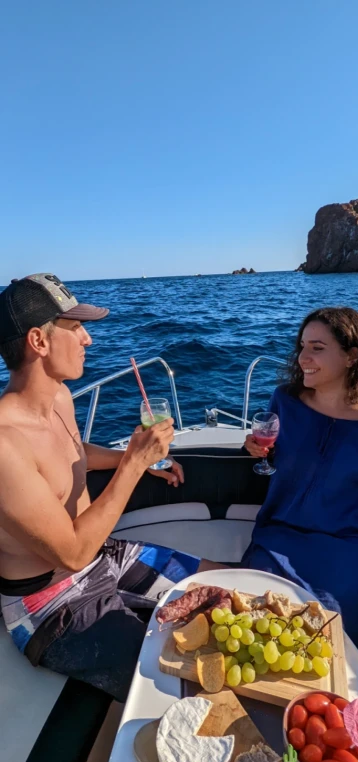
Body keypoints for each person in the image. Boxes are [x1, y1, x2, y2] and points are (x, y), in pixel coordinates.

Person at [0, 273, 222, 702]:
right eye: (76, 328)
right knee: (191, 683)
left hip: (101, 558)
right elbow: (71, 552)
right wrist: (136, 462)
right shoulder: (4, 443)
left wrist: (131, 459)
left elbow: (69, 450)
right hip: (51, 606)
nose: (88, 339)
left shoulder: (60, 398)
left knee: (219, 588)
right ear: (38, 341)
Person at [241, 306, 358, 658]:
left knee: (335, 634)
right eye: (302, 346)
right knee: (254, 618)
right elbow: (278, 451)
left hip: (355, 545)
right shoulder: (285, 400)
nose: (303, 357)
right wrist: (256, 449)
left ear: (352, 356)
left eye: (318, 348)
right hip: (282, 533)